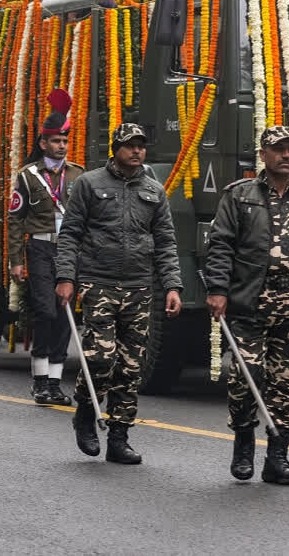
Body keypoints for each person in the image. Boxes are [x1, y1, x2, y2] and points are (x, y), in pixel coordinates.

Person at [204, 125, 289, 485]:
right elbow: (220, 246)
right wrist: (217, 289)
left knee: (288, 384)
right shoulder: (240, 196)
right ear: (262, 155)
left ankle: (277, 458)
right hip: (250, 303)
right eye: (278, 149)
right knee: (246, 377)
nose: (286, 155)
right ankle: (244, 444)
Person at [55, 123, 182, 464]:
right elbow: (70, 234)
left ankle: (120, 436)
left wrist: (172, 286)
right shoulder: (89, 184)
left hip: (140, 288)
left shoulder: (155, 191)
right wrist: (66, 277)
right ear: (116, 148)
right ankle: (85, 411)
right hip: (99, 283)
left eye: (141, 145)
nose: (137, 151)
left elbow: (167, 243)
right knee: (100, 358)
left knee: (130, 366)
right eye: (130, 145)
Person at [8, 90, 83, 406]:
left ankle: (54, 382)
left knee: (65, 315)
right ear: (43, 143)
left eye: (64, 141)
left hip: (69, 252)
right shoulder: (28, 176)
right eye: (55, 141)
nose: (61, 147)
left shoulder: (78, 175)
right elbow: (15, 219)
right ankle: (39, 381)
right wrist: (15, 260)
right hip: (39, 250)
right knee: (45, 312)